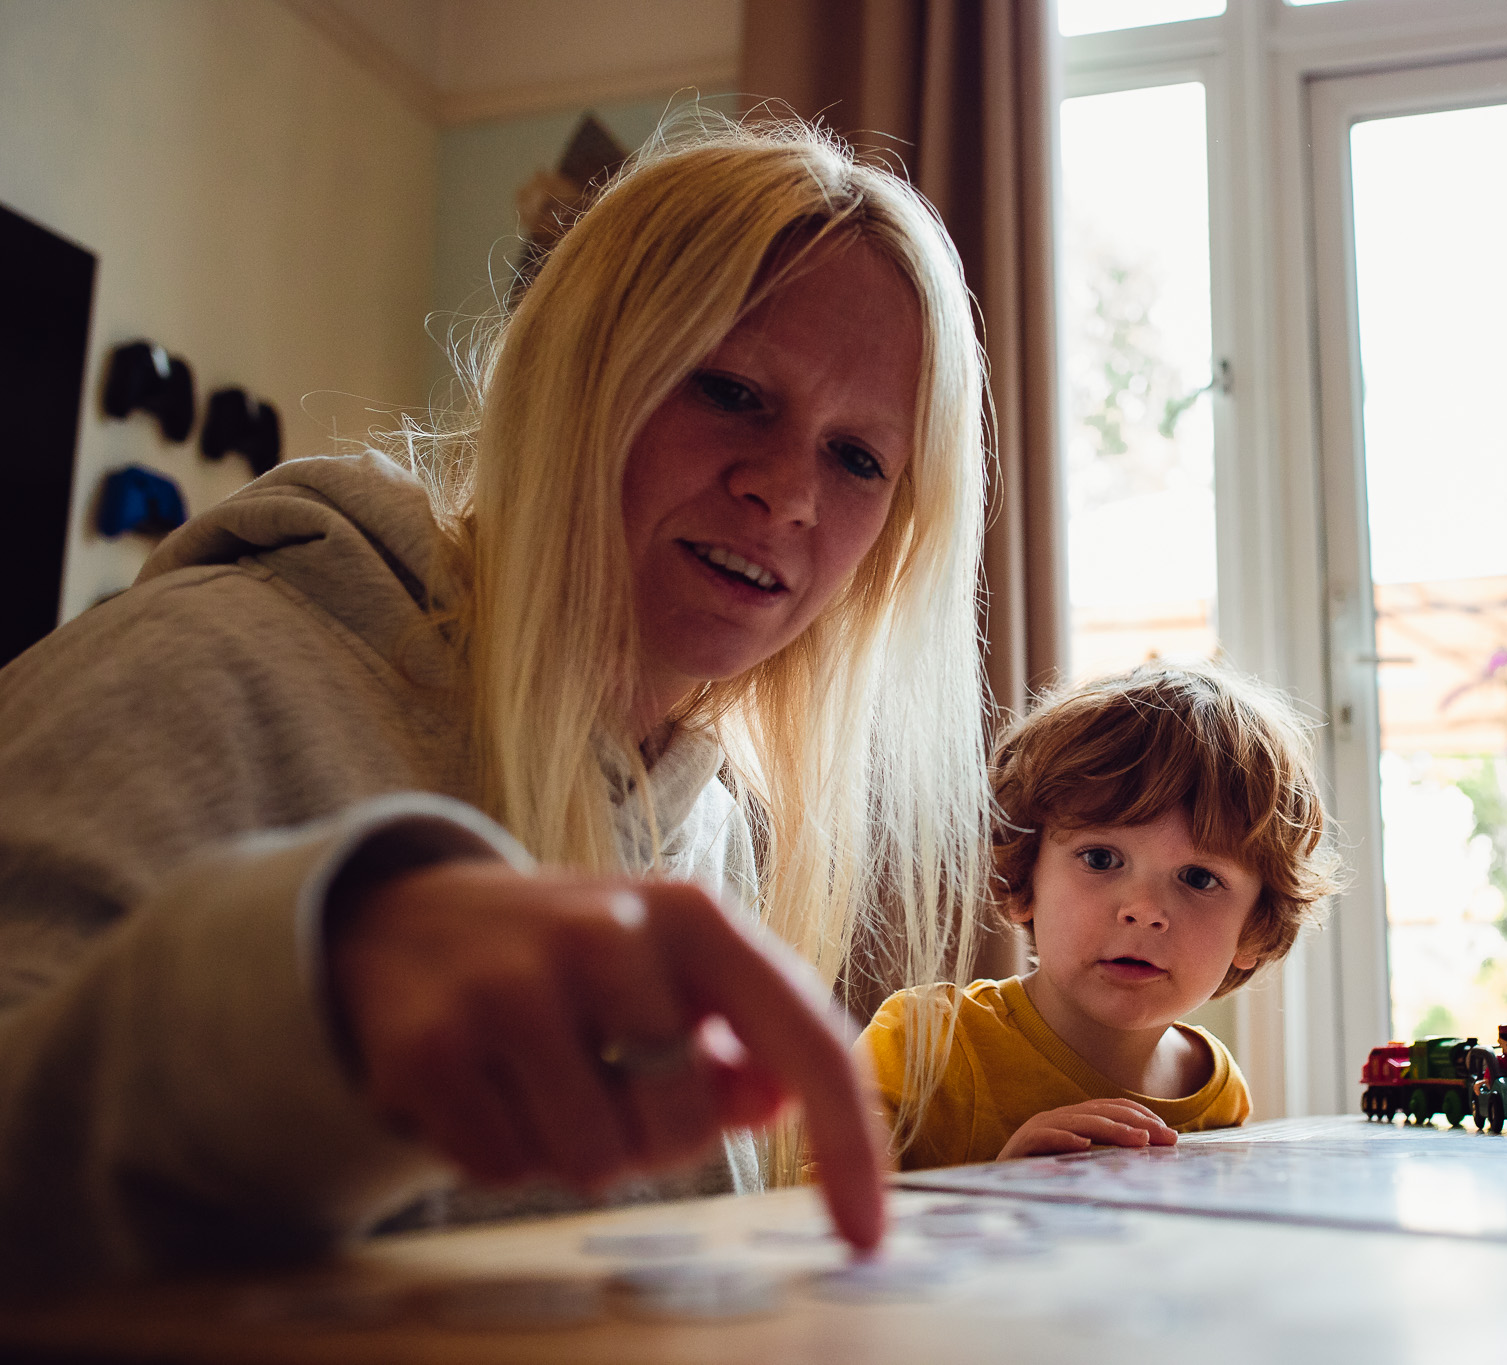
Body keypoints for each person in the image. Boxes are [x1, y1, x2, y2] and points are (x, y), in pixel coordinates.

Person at [0, 118, 990, 1285]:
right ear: (578, 370)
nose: (783, 493)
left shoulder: (713, 827)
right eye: (728, 391)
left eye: (859, 460)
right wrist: (310, 999)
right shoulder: (203, 664)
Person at [860, 664, 1343, 1171]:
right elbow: (806, 1221)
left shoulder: (1217, 1090)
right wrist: (997, 1191)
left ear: (1254, 928)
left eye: (1199, 878)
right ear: (1025, 879)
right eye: (1101, 859)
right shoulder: (922, 1045)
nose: (1144, 911)